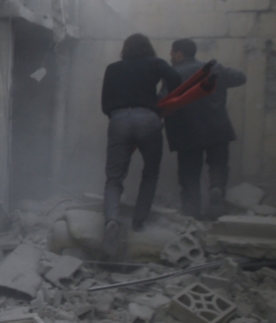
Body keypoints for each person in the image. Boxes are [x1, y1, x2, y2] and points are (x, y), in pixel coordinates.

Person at [100, 33, 182, 259]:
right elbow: (176, 80)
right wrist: (159, 98)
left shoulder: (113, 68)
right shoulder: (156, 63)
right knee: (151, 172)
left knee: (114, 178)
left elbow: (105, 103)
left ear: (125, 49)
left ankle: (111, 221)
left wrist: (119, 116)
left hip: (118, 119)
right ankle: (139, 221)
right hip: (148, 119)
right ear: (148, 47)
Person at [164, 39, 246, 220]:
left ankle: (191, 212)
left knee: (189, 173)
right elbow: (241, 77)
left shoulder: (172, 74)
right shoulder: (212, 68)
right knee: (218, 165)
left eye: (172, 52)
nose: (170, 56)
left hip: (187, 133)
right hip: (217, 129)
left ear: (179, 54)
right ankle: (216, 189)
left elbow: (163, 101)